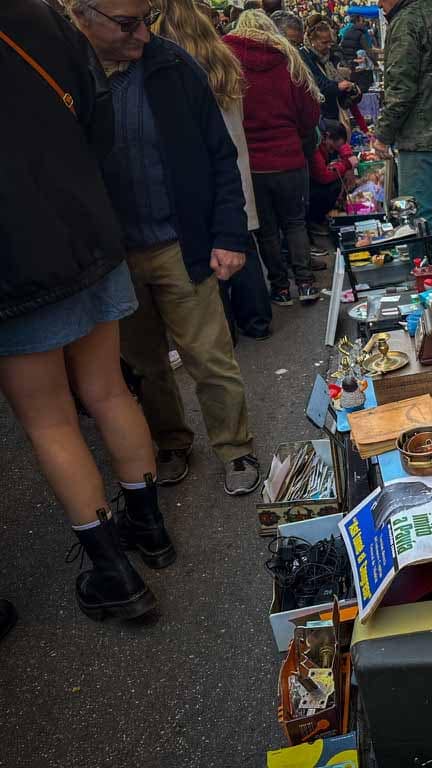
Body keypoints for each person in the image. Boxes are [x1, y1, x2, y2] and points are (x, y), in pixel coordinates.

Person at [1, 0, 173, 623]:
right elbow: (99, 121)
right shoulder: (44, 18)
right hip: (88, 229)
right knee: (107, 393)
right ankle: (150, 529)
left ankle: (113, 573)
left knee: (50, 420)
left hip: (16, 259)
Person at [69, 0, 262, 496]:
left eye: (147, 19)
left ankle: (235, 448)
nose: (143, 35)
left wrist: (228, 235)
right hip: (115, 256)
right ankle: (171, 441)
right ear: (83, 16)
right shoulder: (68, 72)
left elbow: (222, 156)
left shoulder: (174, 66)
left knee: (209, 357)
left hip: (183, 244)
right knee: (143, 364)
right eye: (128, 24)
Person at [151, 0, 273, 342]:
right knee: (242, 241)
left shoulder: (171, 69)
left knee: (207, 255)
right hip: (236, 159)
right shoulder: (223, 60)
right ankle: (257, 320)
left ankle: (225, 330)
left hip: (200, 171)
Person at [225, 10, 322, 306]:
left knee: (266, 230)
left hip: (252, 163)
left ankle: (280, 288)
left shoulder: (227, 62)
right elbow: (310, 112)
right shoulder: (288, 59)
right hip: (289, 156)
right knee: (295, 222)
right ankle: (305, 283)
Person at [373, 0, 432, 263]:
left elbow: (401, 89)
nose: (379, 3)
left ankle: (431, 282)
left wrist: (382, 134)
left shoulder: (407, 22)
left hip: (422, 136)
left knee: (417, 219)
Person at [300, 20, 361, 123]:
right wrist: (338, 86)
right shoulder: (304, 56)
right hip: (319, 115)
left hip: (334, 113)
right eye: (324, 42)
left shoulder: (331, 58)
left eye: (330, 42)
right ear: (312, 40)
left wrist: (351, 88)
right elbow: (316, 83)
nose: (328, 46)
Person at [308, 120, 354, 232]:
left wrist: (347, 158)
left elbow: (343, 146)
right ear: (327, 136)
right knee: (336, 184)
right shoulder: (315, 145)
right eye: (333, 147)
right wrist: (346, 164)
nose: (333, 150)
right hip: (309, 188)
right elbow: (322, 176)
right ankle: (315, 220)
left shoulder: (327, 135)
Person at [337, 14, 375, 93]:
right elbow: (368, 51)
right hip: (359, 67)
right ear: (358, 21)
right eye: (362, 21)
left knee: (353, 89)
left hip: (350, 66)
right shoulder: (361, 34)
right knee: (362, 90)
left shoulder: (347, 32)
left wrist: (346, 63)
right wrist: (375, 62)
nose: (364, 23)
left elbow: (342, 48)